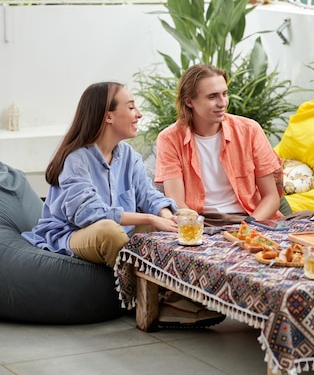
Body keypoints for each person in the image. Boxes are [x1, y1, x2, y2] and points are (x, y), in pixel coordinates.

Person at [21, 82, 222, 328]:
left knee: (184, 216)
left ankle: (181, 295)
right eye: (131, 107)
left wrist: (167, 215)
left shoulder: (128, 155)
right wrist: (149, 219)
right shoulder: (76, 159)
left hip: (122, 234)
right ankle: (151, 302)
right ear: (108, 116)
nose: (139, 114)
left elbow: (148, 195)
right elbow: (88, 214)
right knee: (110, 231)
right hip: (74, 234)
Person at [155, 64, 283, 225]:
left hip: (250, 217)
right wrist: (196, 228)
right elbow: (178, 204)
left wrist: (248, 227)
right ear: (189, 101)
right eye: (212, 96)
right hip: (202, 221)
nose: (222, 103)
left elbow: (271, 197)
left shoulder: (249, 130)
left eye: (225, 94)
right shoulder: (169, 139)